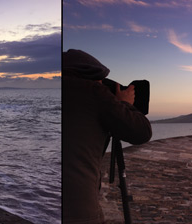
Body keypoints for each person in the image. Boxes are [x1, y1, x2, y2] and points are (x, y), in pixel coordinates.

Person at [62, 49, 153, 223]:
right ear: (93, 77)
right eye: (101, 82)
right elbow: (142, 132)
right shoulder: (93, 91)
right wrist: (124, 104)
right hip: (78, 206)